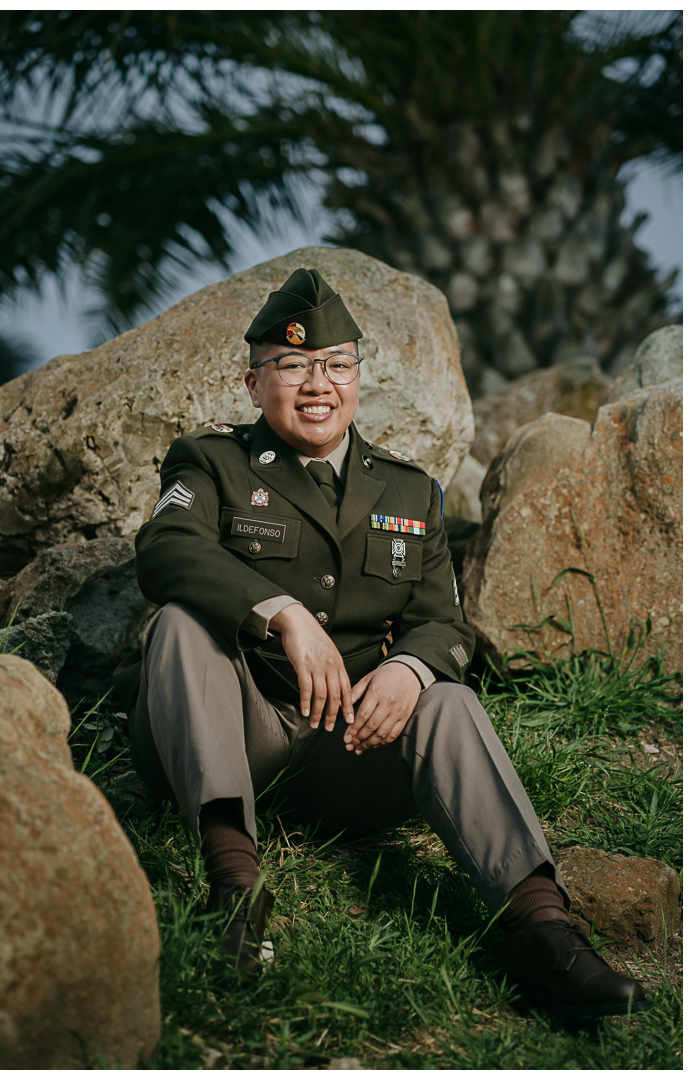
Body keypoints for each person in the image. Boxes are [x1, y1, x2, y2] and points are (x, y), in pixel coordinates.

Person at [117, 267, 651, 1017]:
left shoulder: (407, 491)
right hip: (232, 729)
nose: (316, 384)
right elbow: (166, 548)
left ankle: (543, 930)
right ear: (252, 382)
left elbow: (444, 623)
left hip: (349, 751)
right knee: (179, 622)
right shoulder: (212, 463)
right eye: (293, 365)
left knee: (450, 700)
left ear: (358, 379)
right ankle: (235, 887)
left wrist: (408, 669)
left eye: (336, 365)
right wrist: (281, 613)